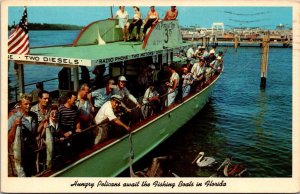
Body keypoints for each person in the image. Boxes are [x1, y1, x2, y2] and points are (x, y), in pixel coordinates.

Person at [8, 94, 39, 177]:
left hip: (32, 152)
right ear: (20, 104)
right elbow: (8, 139)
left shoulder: (34, 116)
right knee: (22, 175)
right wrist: (14, 125)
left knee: (32, 174)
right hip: (20, 152)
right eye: (25, 104)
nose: (28, 106)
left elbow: (35, 133)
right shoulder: (13, 118)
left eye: (30, 104)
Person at [57, 91, 82, 156]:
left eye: (76, 100)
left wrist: (78, 127)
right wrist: (63, 133)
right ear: (68, 99)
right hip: (63, 131)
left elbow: (77, 120)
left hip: (73, 131)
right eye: (74, 100)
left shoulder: (75, 108)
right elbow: (57, 124)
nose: (75, 102)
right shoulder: (61, 109)